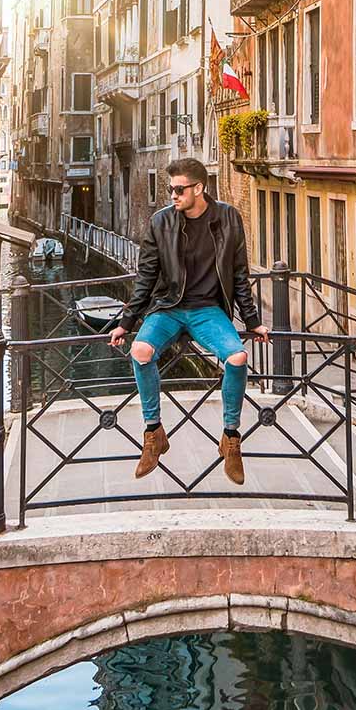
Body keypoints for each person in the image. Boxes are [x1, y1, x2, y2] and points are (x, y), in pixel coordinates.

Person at [109, 158, 269, 485]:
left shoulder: (228, 218)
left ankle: (230, 438)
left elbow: (240, 275)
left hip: (208, 309)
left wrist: (252, 321)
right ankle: (153, 434)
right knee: (140, 351)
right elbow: (146, 277)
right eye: (170, 189)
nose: (173, 195)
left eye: (179, 189)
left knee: (238, 358)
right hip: (167, 307)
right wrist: (126, 322)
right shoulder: (161, 223)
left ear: (199, 188)